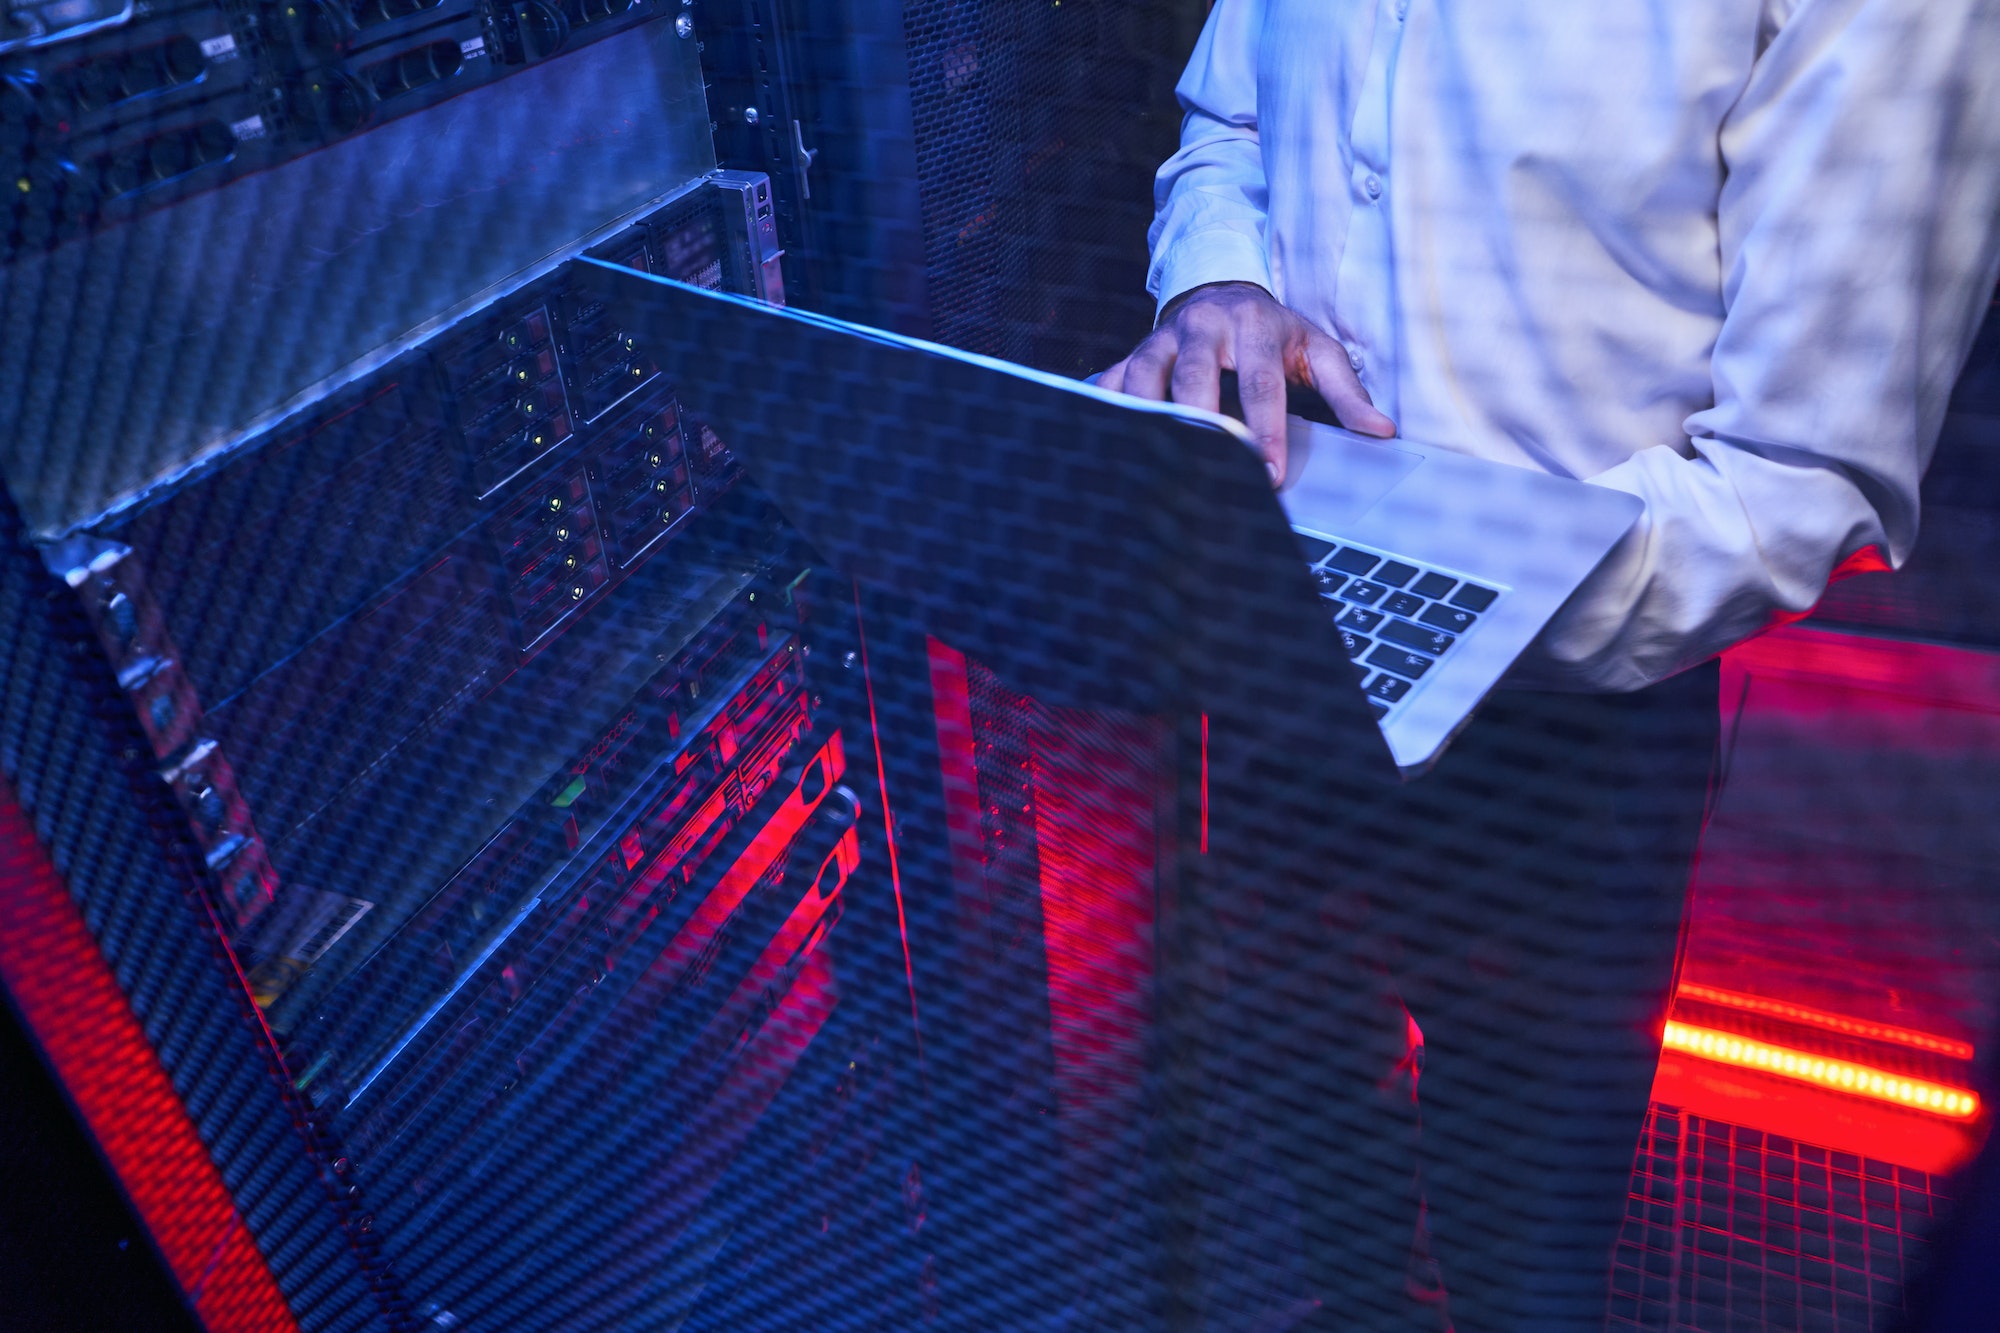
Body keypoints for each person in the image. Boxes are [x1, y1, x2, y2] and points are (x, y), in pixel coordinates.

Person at [1100, 1, 2000, 1329]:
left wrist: (1445, 576)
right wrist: (1214, 278)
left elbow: (1803, 473)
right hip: (1276, 650)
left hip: (1569, 741)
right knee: (1319, 1162)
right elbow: (1230, 120)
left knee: (1522, 1251)